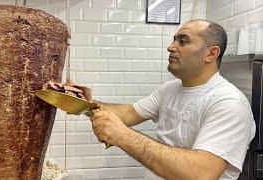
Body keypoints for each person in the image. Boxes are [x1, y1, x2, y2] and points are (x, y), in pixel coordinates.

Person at [88, 19, 256, 180]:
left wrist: (123, 136)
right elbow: (129, 113)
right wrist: (79, 101)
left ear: (211, 54)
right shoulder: (170, 89)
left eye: (182, 42)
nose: (170, 47)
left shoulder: (229, 102)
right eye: (174, 40)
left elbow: (201, 174)